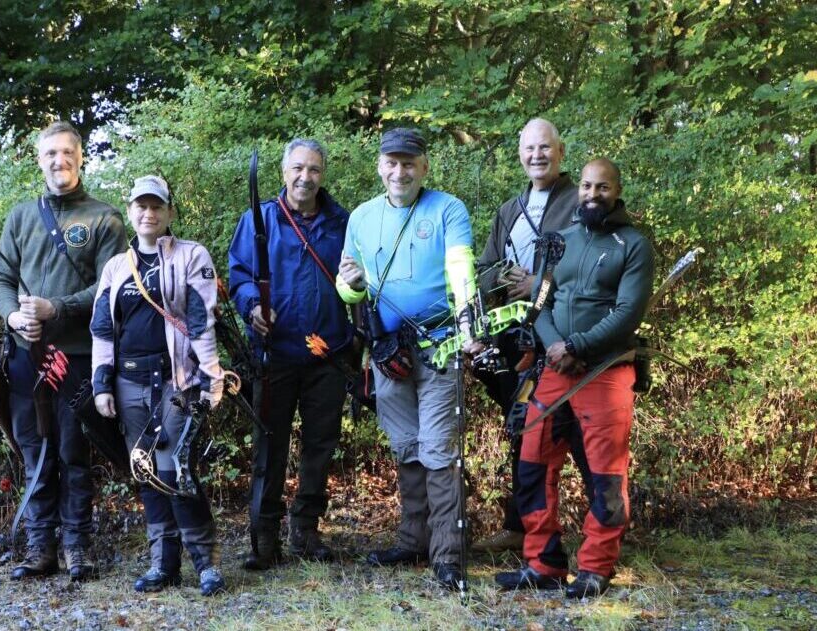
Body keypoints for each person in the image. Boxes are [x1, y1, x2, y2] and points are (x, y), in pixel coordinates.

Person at [495, 159, 655, 598]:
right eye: (586, 186)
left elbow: (627, 313)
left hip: (605, 371)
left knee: (606, 474)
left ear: (617, 190)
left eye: (602, 187)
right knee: (532, 463)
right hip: (554, 368)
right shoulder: (561, 241)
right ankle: (542, 563)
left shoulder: (633, 245)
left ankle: (595, 569)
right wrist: (554, 346)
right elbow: (541, 301)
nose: (592, 194)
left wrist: (577, 347)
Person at [337, 128, 478, 590]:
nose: (400, 172)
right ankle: (413, 541)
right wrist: (352, 285)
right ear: (380, 166)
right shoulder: (361, 217)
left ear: (424, 167)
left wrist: (467, 325)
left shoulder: (448, 209)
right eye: (392, 163)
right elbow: (346, 287)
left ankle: (448, 556)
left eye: (409, 163)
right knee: (407, 445)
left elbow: (461, 268)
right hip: (387, 351)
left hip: (440, 346)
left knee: (438, 448)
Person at [0, 121, 127, 581]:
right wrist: (14, 317)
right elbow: (1, 279)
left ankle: (77, 548)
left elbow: (110, 286)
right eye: (50, 153)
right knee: (34, 451)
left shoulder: (104, 217)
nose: (59, 160)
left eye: (67, 152)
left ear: (80, 157)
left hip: (78, 357)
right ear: (39, 160)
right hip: (24, 356)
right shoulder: (20, 217)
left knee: (73, 452)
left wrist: (58, 308)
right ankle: (40, 548)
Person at [90, 175, 227, 595]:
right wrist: (101, 383)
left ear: (169, 212)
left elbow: (201, 320)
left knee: (175, 469)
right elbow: (102, 328)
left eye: (156, 207)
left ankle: (205, 565)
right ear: (130, 211)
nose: (148, 213)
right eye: (141, 206)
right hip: (128, 382)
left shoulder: (191, 255)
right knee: (145, 472)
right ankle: (163, 565)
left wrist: (212, 375)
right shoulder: (116, 267)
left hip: (176, 381)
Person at [228, 139, 354, 569]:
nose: (306, 177)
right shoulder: (259, 219)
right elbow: (240, 274)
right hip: (274, 354)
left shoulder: (343, 223)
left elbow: (358, 281)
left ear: (323, 174)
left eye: (314, 169)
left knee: (321, 443)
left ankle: (306, 529)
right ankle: (264, 536)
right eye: (298, 168)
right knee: (269, 445)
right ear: (284, 172)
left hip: (329, 353)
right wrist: (252, 307)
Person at [475, 118, 586, 554]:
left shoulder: (581, 201)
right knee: (523, 427)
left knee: (578, 433)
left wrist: (539, 285)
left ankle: (603, 529)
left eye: (545, 147)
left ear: (561, 152)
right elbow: (484, 271)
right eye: (529, 148)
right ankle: (522, 526)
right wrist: (504, 276)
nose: (537, 155)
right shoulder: (510, 210)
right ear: (520, 154)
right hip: (515, 339)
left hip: (563, 336)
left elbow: (590, 268)